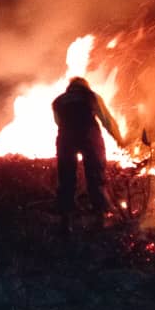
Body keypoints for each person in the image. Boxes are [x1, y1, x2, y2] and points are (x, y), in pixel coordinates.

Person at [52, 77, 126, 233]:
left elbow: (58, 122)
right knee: (96, 176)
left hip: (65, 139)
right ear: (85, 86)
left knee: (66, 178)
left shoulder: (58, 101)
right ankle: (101, 218)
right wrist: (119, 139)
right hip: (89, 137)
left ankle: (66, 221)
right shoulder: (91, 96)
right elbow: (107, 120)